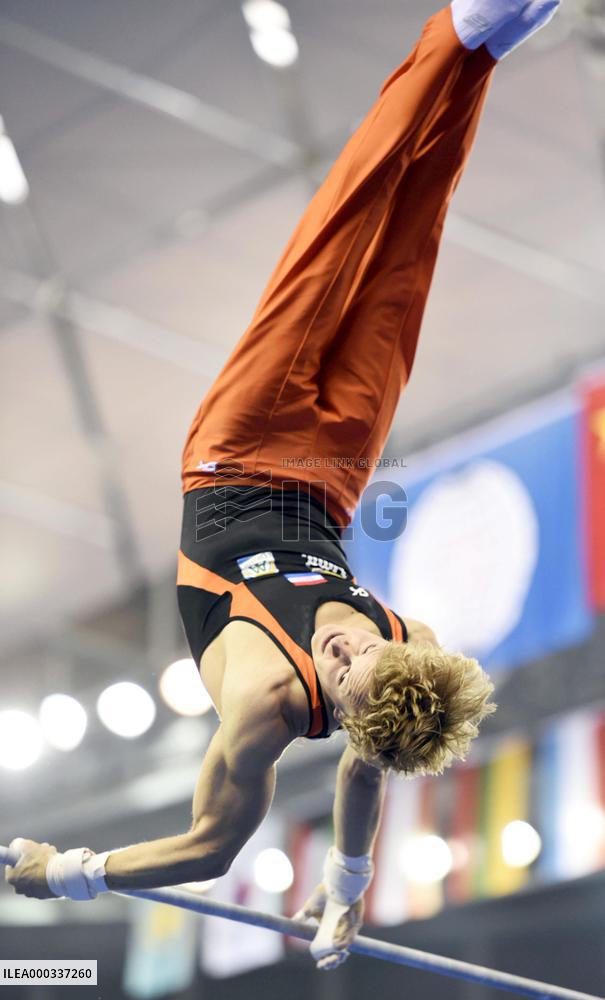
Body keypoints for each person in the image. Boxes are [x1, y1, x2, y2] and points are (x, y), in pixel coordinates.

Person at [6, 0, 559, 972]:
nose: (347, 640)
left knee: (339, 233)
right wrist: (347, 882)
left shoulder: (263, 705)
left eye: (340, 668)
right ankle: (484, 51)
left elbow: (205, 847)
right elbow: (368, 774)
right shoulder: (405, 652)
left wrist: (69, 872)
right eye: (368, 648)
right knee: (405, 251)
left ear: (335, 710)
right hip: (334, 477)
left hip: (235, 449)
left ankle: (453, 30)